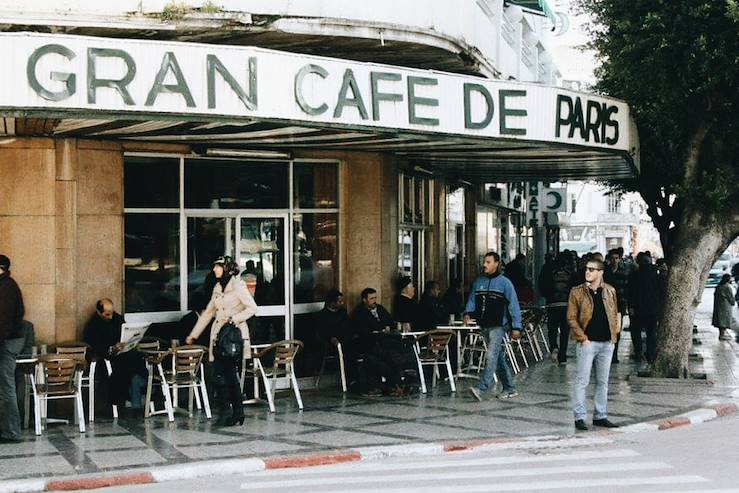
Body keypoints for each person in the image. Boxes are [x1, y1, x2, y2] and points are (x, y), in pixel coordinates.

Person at [186, 256, 257, 426]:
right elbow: (209, 313)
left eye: (218, 266)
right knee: (220, 375)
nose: (214, 270)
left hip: (233, 338)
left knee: (227, 375)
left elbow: (252, 308)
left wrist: (234, 318)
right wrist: (194, 334)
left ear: (227, 268)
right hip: (219, 337)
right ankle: (233, 412)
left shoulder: (238, 286)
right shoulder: (218, 287)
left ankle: (230, 413)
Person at [568, 258, 621, 431]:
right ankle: (580, 417)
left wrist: (615, 335)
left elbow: (615, 313)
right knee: (582, 380)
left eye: (592, 269)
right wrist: (583, 338)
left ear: (600, 272)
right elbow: (571, 317)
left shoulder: (610, 291)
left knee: (603, 381)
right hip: (588, 343)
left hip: (607, 343)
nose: (588, 272)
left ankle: (600, 415)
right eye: (587, 269)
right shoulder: (577, 292)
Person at [465, 251, 522, 401]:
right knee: (497, 358)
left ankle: (481, 387)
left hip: (498, 326)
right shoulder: (479, 282)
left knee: (491, 355)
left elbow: (514, 305)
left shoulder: (505, 283)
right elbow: (472, 299)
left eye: (488, 262)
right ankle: (510, 388)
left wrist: (517, 327)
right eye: (485, 261)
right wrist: (467, 313)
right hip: (484, 325)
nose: (485, 264)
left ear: (497, 264)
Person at [83, 298, 147, 414]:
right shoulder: (93, 326)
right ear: (99, 312)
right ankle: (145, 383)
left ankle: (136, 388)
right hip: (109, 357)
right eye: (107, 314)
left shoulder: (117, 318)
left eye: (112, 313)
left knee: (135, 358)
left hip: (125, 353)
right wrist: (112, 348)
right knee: (132, 365)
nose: (110, 317)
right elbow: (95, 345)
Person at [348, 288, 397, 395]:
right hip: (368, 343)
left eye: (375, 298)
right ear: (364, 300)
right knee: (382, 357)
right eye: (371, 298)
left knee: (394, 354)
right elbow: (361, 330)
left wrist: (388, 327)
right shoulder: (359, 313)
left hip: (385, 340)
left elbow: (390, 321)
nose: (374, 300)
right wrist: (378, 330)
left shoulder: (380, 308)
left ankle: (396, 382)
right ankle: (395, 381)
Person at [0, 255, 25, 442]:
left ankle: (11, 432)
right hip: (9, 341)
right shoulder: (7, 285)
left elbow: (4, 321)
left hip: (7, 343)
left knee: (6, 387)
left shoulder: (6, 288)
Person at [540, 252, 574, 366]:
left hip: (552, 304)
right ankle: (563, 356)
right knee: (565, 331)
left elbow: (541, 285)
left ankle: (554, 346)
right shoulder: (570, 270)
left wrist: (548, 296)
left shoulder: (548, 268)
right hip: (566, 304)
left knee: (552, 329)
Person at [628, 252, 661, 366]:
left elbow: (630, 293)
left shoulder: (634, 276)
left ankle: (638, 354)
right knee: (651, 333)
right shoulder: (656, 275)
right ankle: (650, 354)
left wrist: (631, 307)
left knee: (636, 333)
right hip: (652, 310)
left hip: (638, 310)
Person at [604, 249, 630, 364]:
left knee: (616, 330)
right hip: (606, 305)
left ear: (619, 259)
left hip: (619, 305)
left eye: (616, 258)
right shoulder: (605, 273)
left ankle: (614, 354)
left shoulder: (624, 272)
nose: (614, 260)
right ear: (609, 259)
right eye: (612, 258)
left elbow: (628, 289)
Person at [713, 274, 735, 341]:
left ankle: (721, 334)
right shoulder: (727, 287)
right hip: (725, 306)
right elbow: (730, 297)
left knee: (720, 320)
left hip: (718, 305)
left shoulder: (718, 286)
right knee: (724, 320)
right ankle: (722, 335)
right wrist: (733, 302)